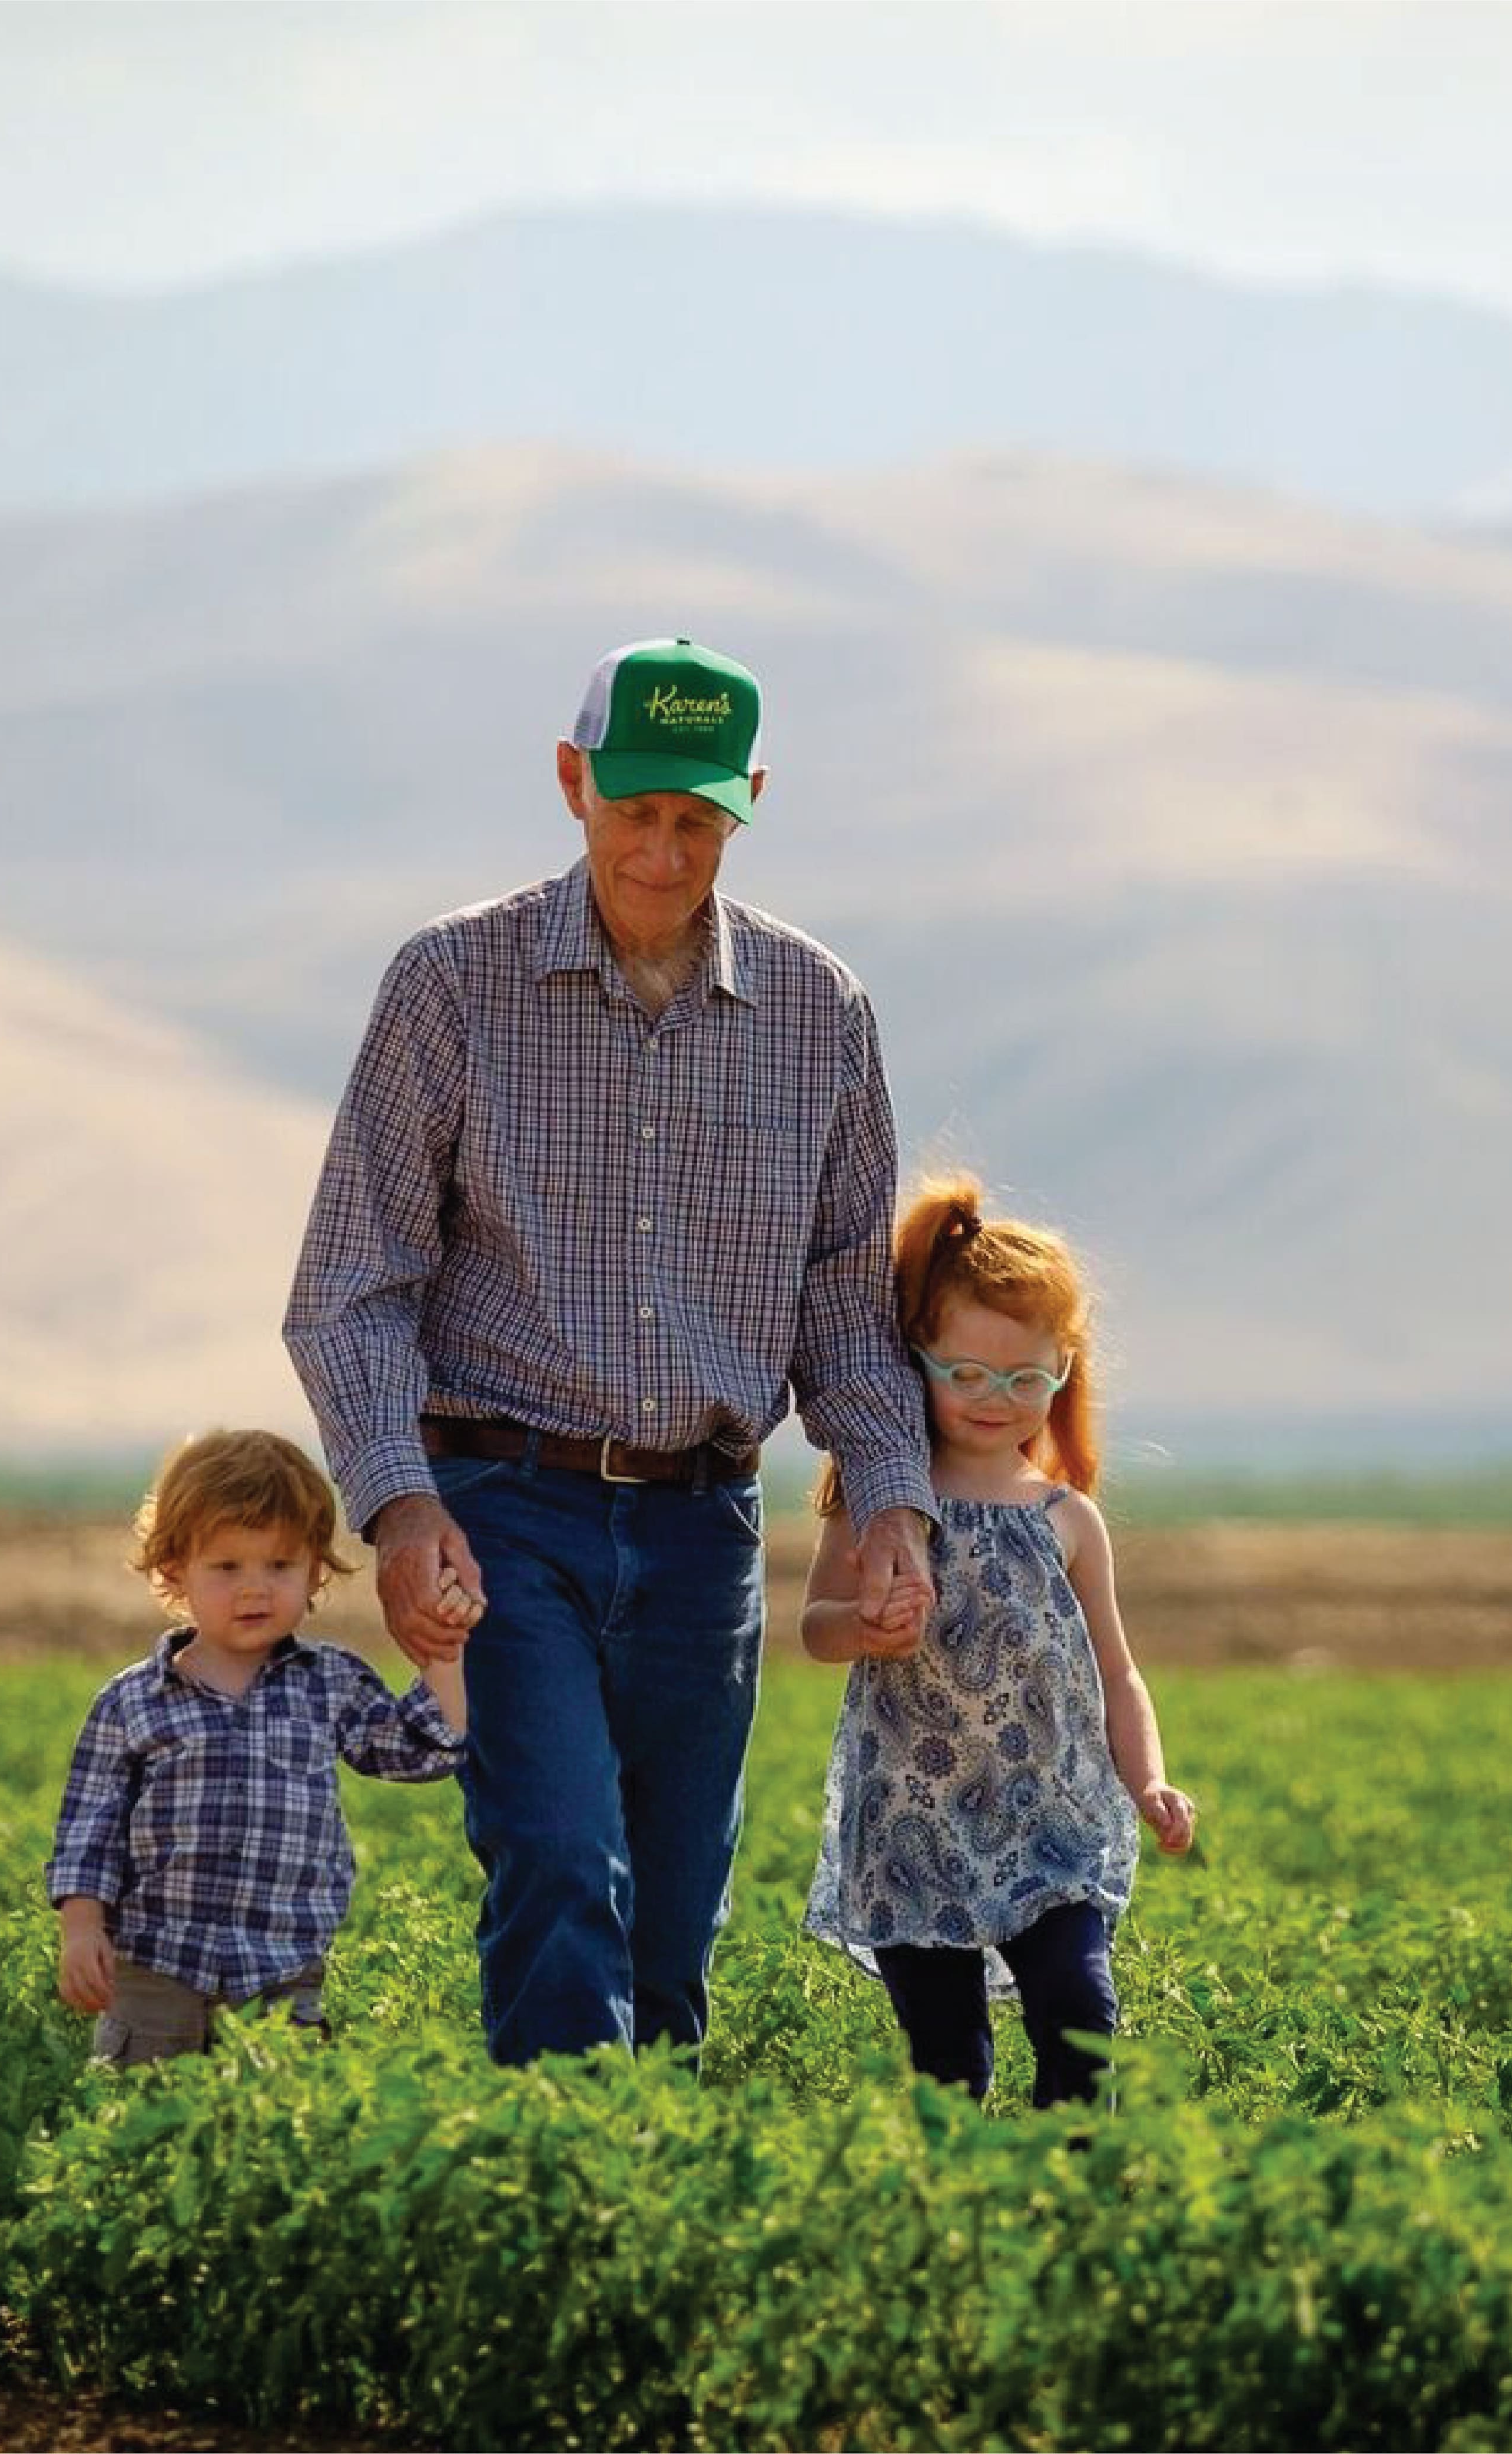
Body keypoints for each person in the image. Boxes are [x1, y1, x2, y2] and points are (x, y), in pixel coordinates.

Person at [283, 637, 940, 2068]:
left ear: (750, 800)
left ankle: (643, 2222)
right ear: (572, 781)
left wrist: (893, 1500)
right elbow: (350, 1286)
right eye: (634, 810)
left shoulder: (821, 1014)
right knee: (564, 1864)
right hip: (501, 1510)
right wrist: (402, 1512)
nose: (661, 849)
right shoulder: (450, 986)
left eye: (697, 819)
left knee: (672, 1926)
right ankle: (560, 2195)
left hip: (704, 1526)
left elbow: (845, 1311)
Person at [800, 1176, 1196, 2108]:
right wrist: (861, 1626)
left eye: (1026, 1379)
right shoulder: (879, 1498)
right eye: (966, 1374)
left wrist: (1146, 1781)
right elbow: (815, 1624)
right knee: (949, 2063)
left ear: (1062, 1374)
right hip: (912, 1829)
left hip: (1051, 1825)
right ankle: (962, 2215)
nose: (995, 1399)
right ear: (916, 1357)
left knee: (1079, 2011)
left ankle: (1069, 2191)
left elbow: (1117, 1670)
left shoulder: (1068, 1519)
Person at [45, 1427, 466, 2064]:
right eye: (226, 1566)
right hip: (156, 1967)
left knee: (276, 2123)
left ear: (315, 1572)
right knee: (144, 2117)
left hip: (281, 1972)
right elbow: (87, 1831)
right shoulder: (131, 1701)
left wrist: (444, 1652)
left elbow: (417, 1751)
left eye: (279, 1565)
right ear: (174, 1571)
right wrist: (81, 1931)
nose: (255, 1588)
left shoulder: (331, 1683)